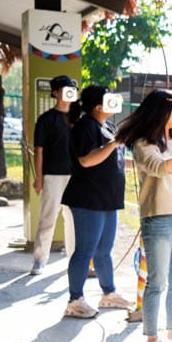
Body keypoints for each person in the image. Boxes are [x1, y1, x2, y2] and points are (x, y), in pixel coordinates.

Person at [117, 89, 172, 342]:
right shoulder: (143, 144)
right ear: (162, 113)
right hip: (159, 217)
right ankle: (151, 339)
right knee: (157, 281)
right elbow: (162, 169)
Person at [60, 85, 134, 319]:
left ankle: (108, 294)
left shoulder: (109, 127)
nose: (115, 102)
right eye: (110, 99)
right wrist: (113, 144)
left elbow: (112, 159)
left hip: (107, 199)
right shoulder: (85, 126)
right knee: (85, 250)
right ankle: (75, 299)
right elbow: (86, 160)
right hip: (86, 199)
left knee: (104, 251)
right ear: (98, 106)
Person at [30, 75, 76, 274]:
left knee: (74, 220)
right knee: (48, 218)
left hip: (76, 177)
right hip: (52, 176)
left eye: (72, 88)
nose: (69, 92)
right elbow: (39, 150)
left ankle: (75, 261)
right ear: (55, 92)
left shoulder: (79, 120)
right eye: (65, 88)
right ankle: (40, 259)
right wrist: (39, 178)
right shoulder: (46, 119)